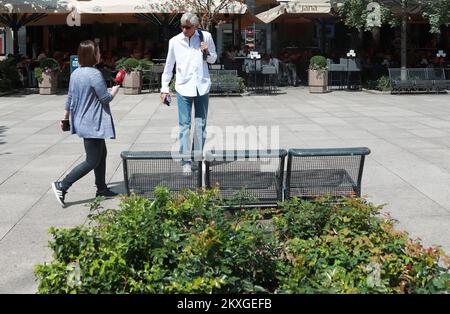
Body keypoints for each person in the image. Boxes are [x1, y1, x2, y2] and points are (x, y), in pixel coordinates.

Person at [51, 40, 120, 207]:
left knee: (101, 154)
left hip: (82, 121)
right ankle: (63, 185)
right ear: (92, 55)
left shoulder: (76, 73)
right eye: (98, 52)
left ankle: (102, 188)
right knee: (92, 160)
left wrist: (65, 118)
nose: (100, 55)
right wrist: (114, 91)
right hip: (93, 123)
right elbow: (105, 99)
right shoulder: (95, 74)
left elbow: (70, 98)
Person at [160, 12, 217, 174]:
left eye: (188, 27)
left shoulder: (206, 37)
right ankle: (186, 160)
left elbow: (213, 59)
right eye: (182, 26)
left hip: (202, 86)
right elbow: (169, 66)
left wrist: (207, 52)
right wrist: (164, 88)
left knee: (200, 125)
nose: (184, 30)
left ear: (196, 26)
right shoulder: (175, 41)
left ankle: (197, 158)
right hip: (183, 87)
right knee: (184, 126)